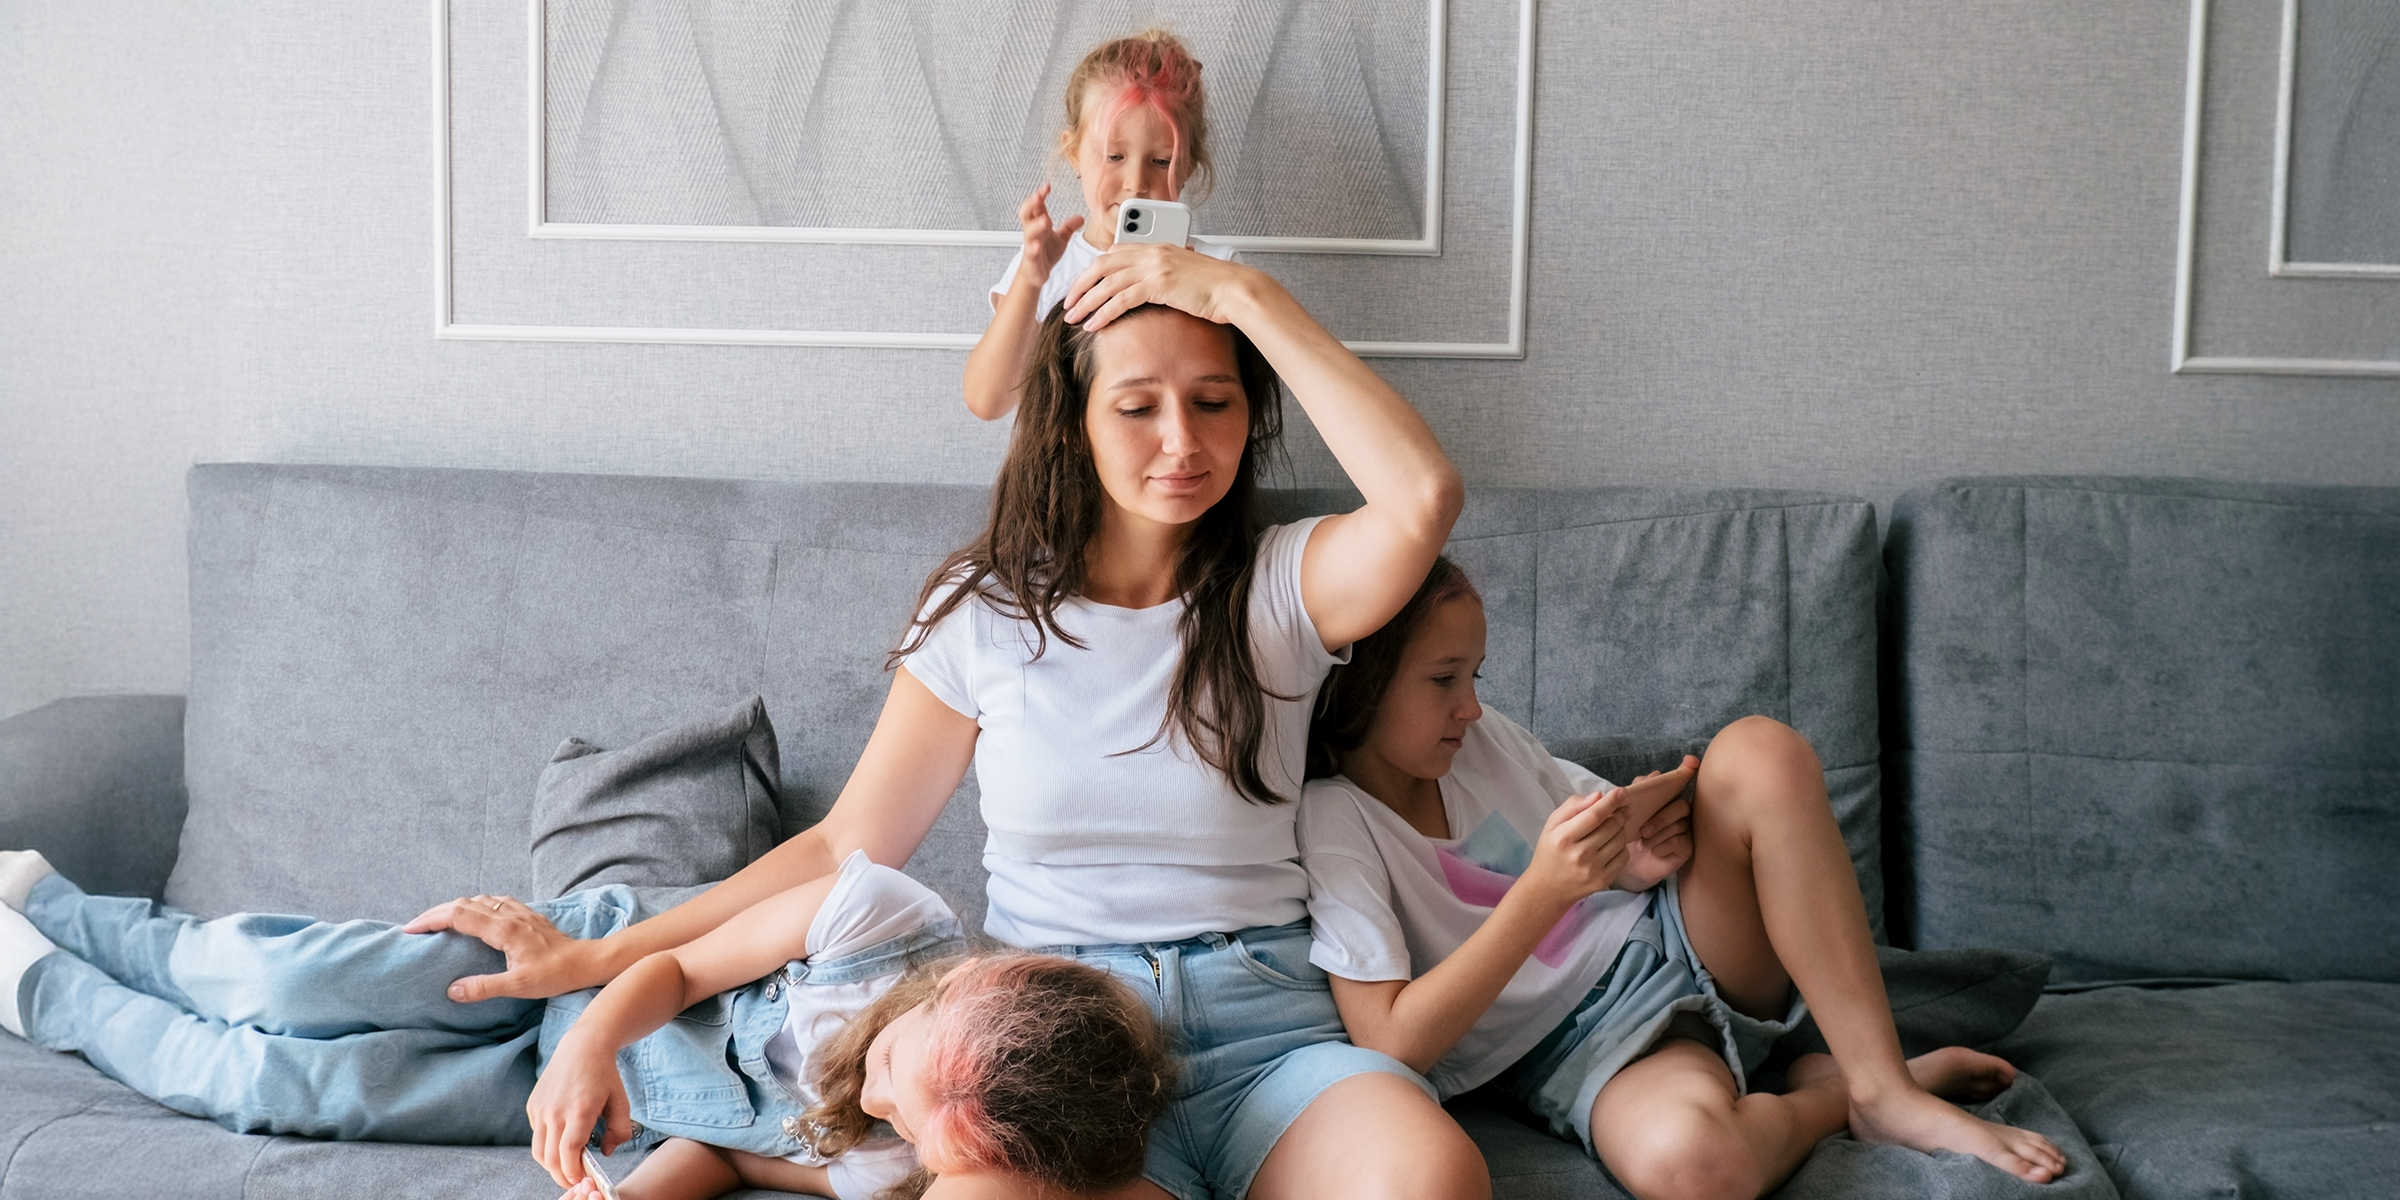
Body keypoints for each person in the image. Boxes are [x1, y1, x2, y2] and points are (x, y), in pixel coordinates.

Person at [415, 245, 1481, 1200]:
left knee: (1431, 1176)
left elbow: (1423, 498)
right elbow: (842, 847)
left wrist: (1246, 293)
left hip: (1270, 1032)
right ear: (1072, 419)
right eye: (1138, 406)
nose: (1182, 442)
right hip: (1050, 1047)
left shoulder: (1284, 584)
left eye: (1215, 402)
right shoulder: (984, 618)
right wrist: (599, 969)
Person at [1293, 558, 2070, 1199]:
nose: (1471, 707)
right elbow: (1391, 1043)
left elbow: (1584, 860)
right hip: (1590, 1053)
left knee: (1759, 753)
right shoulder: (1335, 820)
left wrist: (1630, 866)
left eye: (1477, 676)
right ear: (1359, 679)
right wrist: (1544, 893)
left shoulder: (1483, 740)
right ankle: (1837, 1093)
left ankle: (1885, 1090)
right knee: (1694, 1168)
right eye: (1443, 680)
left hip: (1677, 938)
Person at [0, 849, 1173, 1200]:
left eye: (903, 1124)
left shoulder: (897, 1165)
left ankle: (36, 988)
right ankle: (48, 899)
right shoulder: (885, 922)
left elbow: (729, 1150)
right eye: (895, 1071)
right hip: (579, 986)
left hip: (610, 1111)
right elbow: (669, 965)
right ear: (957, 990)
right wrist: (588, 1043)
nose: (869, 1106)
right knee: (281, 986)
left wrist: (635, 1198)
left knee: (286, 1093)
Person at [961, 29, 1234, 422]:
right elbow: (988, 400)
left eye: (1161, 161)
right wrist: (1031, 280)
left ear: (1188, 167)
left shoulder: (1216, 267)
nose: (1136, 182)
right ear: (1074, 155)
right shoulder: (1046, 268)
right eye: (1114, 156)